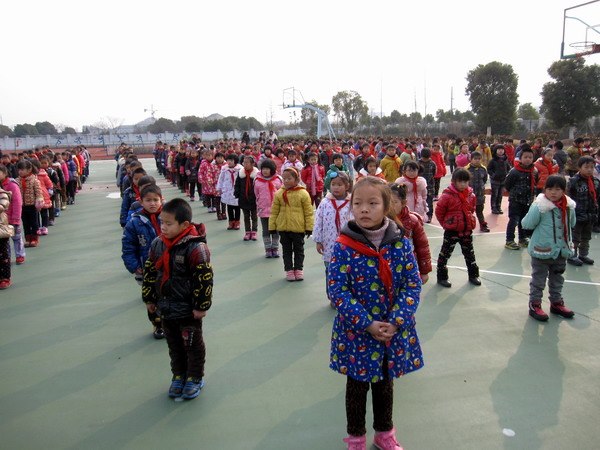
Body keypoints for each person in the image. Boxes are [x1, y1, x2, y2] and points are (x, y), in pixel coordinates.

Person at [328, 177, 423, 450]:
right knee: (356, 389)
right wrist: (367, 323)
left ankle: (384, 433)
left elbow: (412, 283)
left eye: (372, 203)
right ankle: (356, 438)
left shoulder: (400, 244)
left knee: (384, 385)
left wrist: (396, 320)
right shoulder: (344, 246)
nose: (364, 209)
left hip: (390, 333)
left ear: (386, 206)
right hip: (356, 333)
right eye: (358, 203)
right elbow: (337, 290)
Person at [142, 198, 212, 400]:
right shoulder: (158, 245)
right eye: (161, 222)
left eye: (168, 223)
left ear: (184, 225)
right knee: (174, 345)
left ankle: (194, 377)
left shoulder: (196, 248)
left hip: (188, 310)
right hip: (166, 308)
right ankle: (179, 375)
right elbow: (150, 273)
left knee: (192, 345)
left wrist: (201, 306)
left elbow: (204, 280)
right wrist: (149, 298)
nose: (163, 227)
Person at [521, 175, 576, 321]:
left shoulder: (569, 207)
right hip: (542, 250)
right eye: (550, 189)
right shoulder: (540, 206)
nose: (553, 192)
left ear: (563, 191)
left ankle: (556, 303)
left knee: (557, 279)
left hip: (561, 250)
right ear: (544, 189)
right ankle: (535, 304)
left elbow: (572, 223)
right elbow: (527, 224)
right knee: (538, 280)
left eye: (557, 189)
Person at [122, 184, 164, 338]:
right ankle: (157, 324)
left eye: (155, 200)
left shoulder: (168, 217)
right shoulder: (134, 222)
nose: (152, 203)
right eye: (148, 200)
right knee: (151, 298)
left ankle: (171, 323)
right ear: (141, 201)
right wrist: (134, 266)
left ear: (161, 200)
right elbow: (128, 247)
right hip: (147, 268)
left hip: (169, 265)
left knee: (169, 295)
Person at [435, 168, 481, 288]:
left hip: (466, 230)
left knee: (470, 254)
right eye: (460, 181)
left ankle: (473, 275)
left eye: (465, 181)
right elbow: (439, 212)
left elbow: (472, 209)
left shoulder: (471, 195)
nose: (463, 184)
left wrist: (468, 220)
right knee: (445, 254)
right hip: (451, 231)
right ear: (454, 181)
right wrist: (446, 224)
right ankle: (442, 277)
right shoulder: (447, 196)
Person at [312, 171, 352, 303]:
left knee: (347, 271)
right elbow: (318, 221)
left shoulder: (352, 203)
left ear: (347, 186)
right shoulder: (325, 202)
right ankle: (332, 296)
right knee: (330, 270)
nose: (336, 187)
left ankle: (347, 296)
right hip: (329, 245)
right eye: (333, 184)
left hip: (348, 245)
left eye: (339, 185)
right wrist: (318, 240)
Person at [269, 167, 314, 281]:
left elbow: (308, 212)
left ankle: (298, 269)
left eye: (289, 178)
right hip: (283, 228)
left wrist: (309, 227)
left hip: (298, 228)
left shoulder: (303, 193)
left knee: (299, 250)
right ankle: (289, 270)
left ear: (296, 179)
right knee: (286, 250)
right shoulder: (279, 193)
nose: (286, 181)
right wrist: (272, 226)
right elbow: (274, 212)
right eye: (284, 178)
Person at [390, 183, 432, 284]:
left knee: (409, 291)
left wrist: (424, 271)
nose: (389, 206)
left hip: (408, 267)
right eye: (386, 202)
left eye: (394, 202)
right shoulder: (379, 220)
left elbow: (422, 247)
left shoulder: (413, 221)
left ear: (403, 203)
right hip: (388, 267)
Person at [504, 145, 538, 250]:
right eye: (525, 157)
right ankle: (509, 240)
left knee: (524, 221)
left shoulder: (534, 171)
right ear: (520, 158)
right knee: (514, 220)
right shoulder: (514, 171)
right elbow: (507, 184)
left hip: (527, 200)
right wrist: (515, 193)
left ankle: (522, 238)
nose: (528, 159)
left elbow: (535, 183)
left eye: (530, 157)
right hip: (516, 200)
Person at [567, 156, 599, 265]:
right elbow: (568, 198)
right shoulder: (574, 181)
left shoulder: (595, 182)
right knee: (575, 238)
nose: (589, 169)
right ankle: (572, 256)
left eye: (592, 167)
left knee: (586, 237)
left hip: (590, 215)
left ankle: (583, 255)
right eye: (586, 167)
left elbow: (597, 197)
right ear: (579, 168)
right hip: (577, 215)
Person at [254, 159, 283, 258]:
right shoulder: (257, 181)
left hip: (275, 211)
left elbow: (281, 193)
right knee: (265, 230)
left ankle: (275, 248)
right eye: (263, 169)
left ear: (272, 170)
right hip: (263, 210)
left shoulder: (278, 180)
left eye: (267, 169)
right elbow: (256, 194)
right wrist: (259, 205)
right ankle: (268, 249)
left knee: (275, 230)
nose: (265, 171)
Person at [0, 164, 24, 264]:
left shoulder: (12, 185)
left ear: (5, 173)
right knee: (4, 240)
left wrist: (16, 217)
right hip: (2, 220)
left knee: (16, 238)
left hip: (12, 217)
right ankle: (7, 257)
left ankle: (20, 255)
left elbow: (17, 202)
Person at [16, 160, 43, 248]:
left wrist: (39, 200)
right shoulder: (17, 181)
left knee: (34, 223)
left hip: (32, 206)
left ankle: (34, 238)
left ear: (29, 169)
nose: (20, 171)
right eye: (19, 169)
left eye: (22, 169)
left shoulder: (34, 180)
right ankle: (28, 239)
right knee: (25, 223)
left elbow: (38, 192)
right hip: (22, 206)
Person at [234, 156, 259, 241]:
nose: (245, 164)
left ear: (253, 164)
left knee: (254, 216)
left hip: (254, 199)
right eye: (244, 162)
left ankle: (254, 231)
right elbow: (237, 184)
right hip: (243, 198)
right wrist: (237, 193)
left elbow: (259, 186)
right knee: (246, 216)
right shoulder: (241, 173)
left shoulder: (257, 174)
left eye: (247, 162)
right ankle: (247, 232)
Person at [217, 153, 242, 230]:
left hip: (236, 191)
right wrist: (219, 188)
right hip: (227, 190)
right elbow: (221, 179)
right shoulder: (224, 169)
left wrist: (242, 190)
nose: (229, 162)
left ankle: (237, 222)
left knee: (237, 207)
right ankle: (231, 222)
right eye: (228, 160)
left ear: (235, 161)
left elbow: (242, 180)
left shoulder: (240, 170)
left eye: (231, 160)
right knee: (229, 207)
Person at [466, 151, 490, 232]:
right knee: (468, 212)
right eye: (475, 159)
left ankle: (483, 225)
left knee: (480, 211)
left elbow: (485, 179)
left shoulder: (483, 169)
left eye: (479, 159)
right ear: (471, 159)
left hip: (480, 195)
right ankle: (467, 227)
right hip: (469, 196)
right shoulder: (467, 169)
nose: (477, 160)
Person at [487, 144, 511, 215]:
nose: (501, 151)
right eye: (499, 149)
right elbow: (489, 169)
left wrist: (507, 174)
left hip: (503, 180)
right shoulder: (493, 160)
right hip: (495, 181)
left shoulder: (505, 159)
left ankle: (498, 206)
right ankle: (493, 207)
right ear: (496, 151)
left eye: (502, 149)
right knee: (495, 194)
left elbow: (508, 168)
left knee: (500, 195)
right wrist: (493, 175)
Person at [418, 148, 437, 223]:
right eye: (424, 158)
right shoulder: (418, 163)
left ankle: (429, 216)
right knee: (419, 202)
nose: (425, 160)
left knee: (429, 202)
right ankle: (420, 216)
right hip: (420, 186)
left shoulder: (432, 163)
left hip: (429, 187)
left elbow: (434, 173)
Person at [0, 185, 12, 289]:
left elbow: (4, 205)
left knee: (3, 255)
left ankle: (5, 277)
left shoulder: (2, 193)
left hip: (1, 230)